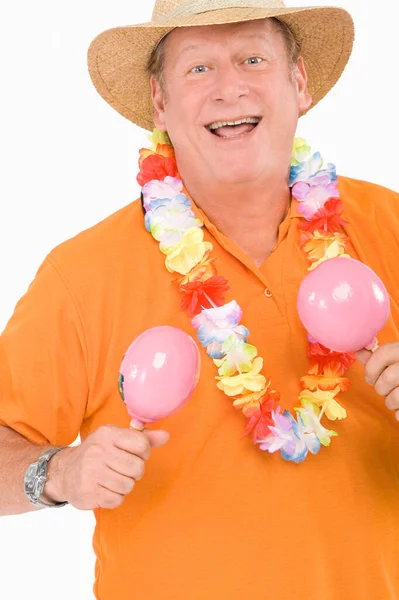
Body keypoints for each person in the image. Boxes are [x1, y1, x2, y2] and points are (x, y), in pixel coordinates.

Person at [1, 0, 399, 598]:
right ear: (159, 104)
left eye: (252, 58)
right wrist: (59, 473)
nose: (229, 88)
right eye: (198, 68)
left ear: (299, 83)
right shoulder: (80, 274)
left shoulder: (390, 227)